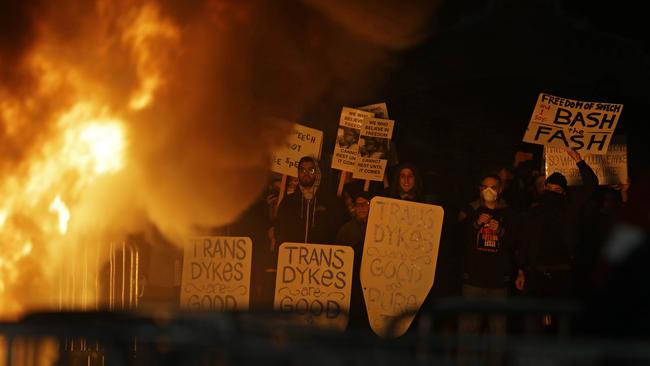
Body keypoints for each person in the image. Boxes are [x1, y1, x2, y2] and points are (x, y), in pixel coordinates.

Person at [515, 148, 598, 333]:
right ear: (544, 189)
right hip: (536, 275)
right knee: (533, 321)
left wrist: (578, 160)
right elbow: (524, 241)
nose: (552, 193)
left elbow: (592, 185)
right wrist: (521, 270)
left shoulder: (569, 211)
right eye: (549, 188)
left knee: (561, 321)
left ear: (563, 192)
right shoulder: (533, 213)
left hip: (562, 275)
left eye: (557, 190)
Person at [456, 174, 519, 365]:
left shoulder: (509, 213)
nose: (489, 191)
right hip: (473, 281)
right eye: (485, 187)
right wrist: (476, 224)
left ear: (500, 190)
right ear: (479, 189)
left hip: (498, 283)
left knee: (497, 335)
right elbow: (456, 237)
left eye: (493, 187)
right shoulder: (470, 210)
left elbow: (516, 243)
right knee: (468, 331)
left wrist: (500, 231)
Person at [274, 156, 348, 245]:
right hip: (293, 255)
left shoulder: (332, 202)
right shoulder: (288, 202)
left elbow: (339, 233)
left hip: (321, 256)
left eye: (311, 170)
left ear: (317, 173)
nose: (306, 173)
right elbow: (279, 231)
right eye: (302, 170)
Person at [336, 190, 373, 329]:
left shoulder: (379, 228)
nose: (362, 207)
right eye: (358, 205)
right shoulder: (346, 230)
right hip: (354, 285)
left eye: (366, 204)